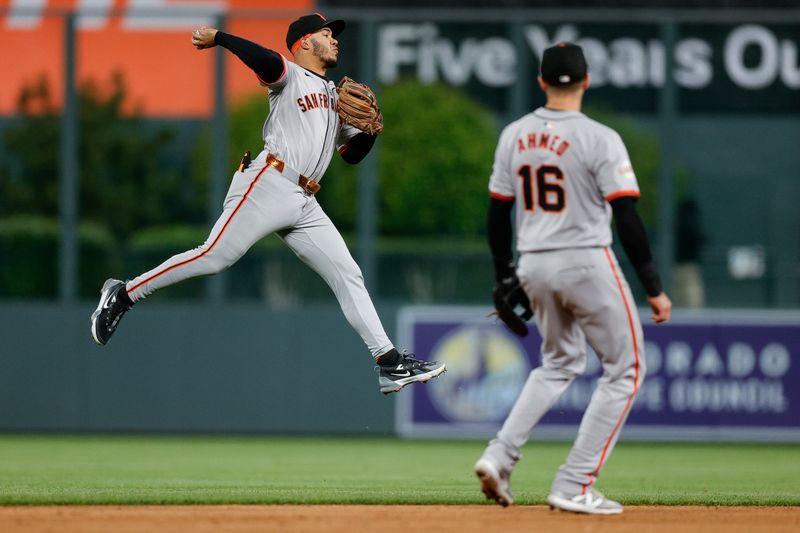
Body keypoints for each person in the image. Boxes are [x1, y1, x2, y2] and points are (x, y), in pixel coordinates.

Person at [89, 13, 446, 395]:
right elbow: (266, 60)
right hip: (269, 182)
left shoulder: (334, 96)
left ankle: (389, 364)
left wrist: (372, 130)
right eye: (327, 34)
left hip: (305, 200)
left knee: (347, 274)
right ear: (305, 42)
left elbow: (351, 154)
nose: (335, 40)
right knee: (214, 256)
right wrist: (222, 38)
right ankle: (124, 293)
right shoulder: (289, 75)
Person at [473, 42, 672, 515]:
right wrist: (654, 288)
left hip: (534, 261)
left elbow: (497, 214)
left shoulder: (514, 134)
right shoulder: (600, 137)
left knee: (558, 363)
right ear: (585, 81)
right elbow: (626, 216)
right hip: (585, 259)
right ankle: (575, 482)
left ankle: (498, 456)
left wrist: (504, 275)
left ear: (541, 82)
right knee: (626, 370)